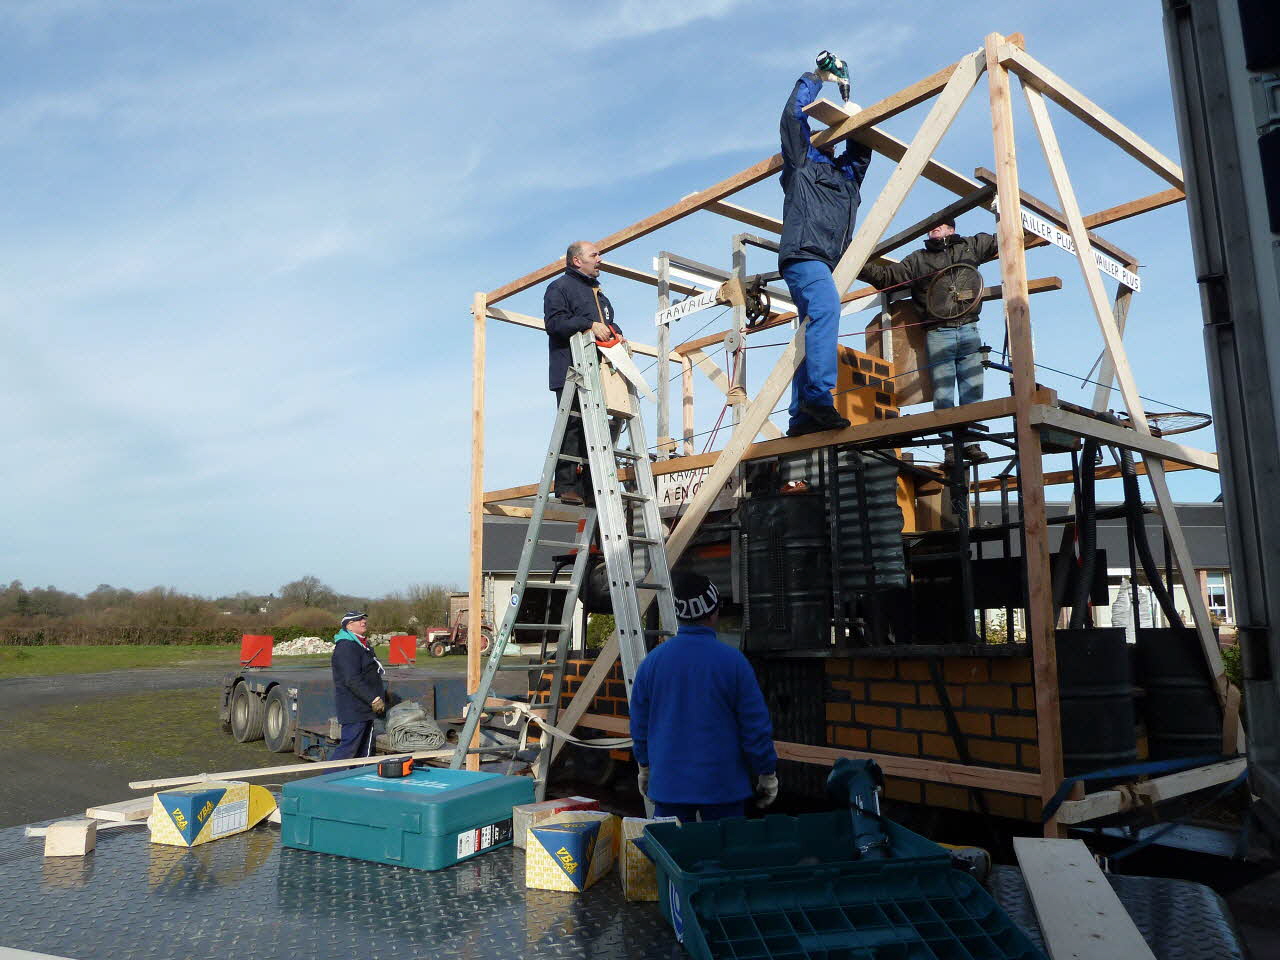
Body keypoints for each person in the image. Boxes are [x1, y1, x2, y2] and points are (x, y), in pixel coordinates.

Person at [630, 572, 779, 822]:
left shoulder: (651, 663)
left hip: (669, 786)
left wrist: (644, 767)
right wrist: (766, 772)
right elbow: (755, 727)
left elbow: (640, 725)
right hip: (723, 787)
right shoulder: (734, 662)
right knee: (725, 857)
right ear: (713, 612)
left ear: (680, 615)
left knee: (670, 858)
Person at [779, 52, 873, 437]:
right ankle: (818, 399)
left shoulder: (847, 178)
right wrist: (816, 77)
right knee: (826, 309)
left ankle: (802, 414)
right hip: (804, 256)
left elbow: (862, 151)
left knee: (813, 326)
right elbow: (793, 116)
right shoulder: (803, 163)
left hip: (824, 263)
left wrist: (856, 114)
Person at [859, 218, 998, 461]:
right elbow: (886, 277)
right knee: (943, 394)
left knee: (972, 391)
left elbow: (1003, 239)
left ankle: (971, 444)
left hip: (969, 329)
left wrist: (1012, 217)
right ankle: (950, 449)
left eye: (941, 224)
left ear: (952, 229)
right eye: (932, 226)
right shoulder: (918, 259)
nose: (934, 228)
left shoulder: (970, 246)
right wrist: (856, 263)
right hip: (938, 332)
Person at [543, 240, 621, 504]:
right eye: (594, 254)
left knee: (598, 430)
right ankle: (566, 485)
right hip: (571, 369)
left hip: (599, 373)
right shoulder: (560, 288)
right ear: (577, 260)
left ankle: (591, 488)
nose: (600, 258)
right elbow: (555, 324)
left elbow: (608, 323)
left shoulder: (599, 295)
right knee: (573, 425)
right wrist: (588, 324)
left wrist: (616, 332)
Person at [330, 610, 387, 760]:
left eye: (364, 619)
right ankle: (328, 780)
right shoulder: (346, 647)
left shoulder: (361, 644)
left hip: (365, 708)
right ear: (349, 626)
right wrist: (373, 699)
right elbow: (351, 679)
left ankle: (356, 779)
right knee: (348, 749)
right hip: (354, 708)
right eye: (359, 619)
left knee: (364, 751)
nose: (364, 621)